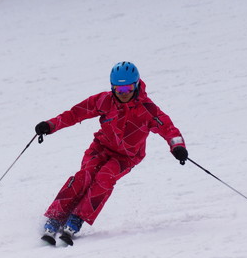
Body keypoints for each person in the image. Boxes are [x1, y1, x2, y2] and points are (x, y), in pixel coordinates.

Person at [35, 62, 188, 246]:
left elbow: (169, 129)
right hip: (100, 148)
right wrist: (50, 125)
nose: (124, 93)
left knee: (104, 178)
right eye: (119, 88)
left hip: (126, 157)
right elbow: (75, 114)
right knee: (85, 176)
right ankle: (55, 218)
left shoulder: (148, 110)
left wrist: (177, 147)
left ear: (137, 85)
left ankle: (77, 219)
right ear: (112, 87)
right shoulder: (104, 101)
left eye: (128, 88)